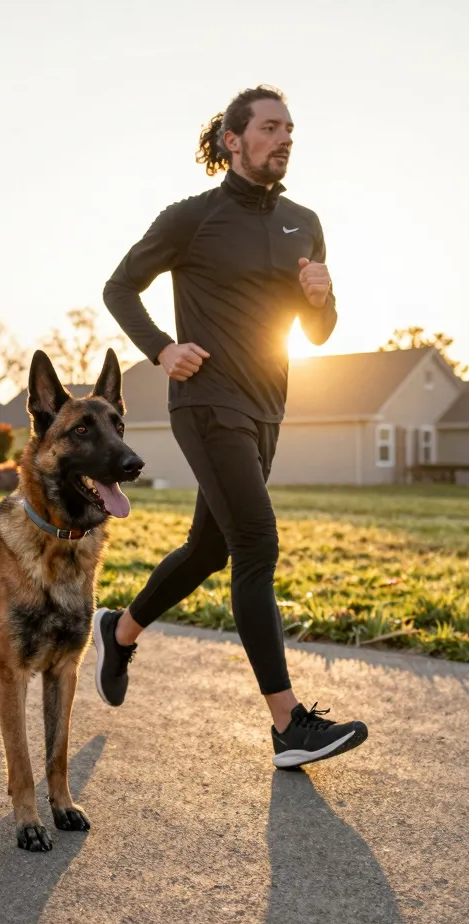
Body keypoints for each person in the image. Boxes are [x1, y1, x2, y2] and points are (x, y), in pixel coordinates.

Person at [93, 85, 368, 769]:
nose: (284, 139)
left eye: (290, 130)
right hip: (206, 402)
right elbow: (119, 287)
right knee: (256, 542)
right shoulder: (192, 219)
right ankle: (288, 726)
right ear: (232, 141)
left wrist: (323, 298)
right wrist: (161, 348)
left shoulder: (305, 222)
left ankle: (119, 632)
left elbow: (317, 330)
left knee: (209, 551)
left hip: (267, 406)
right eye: (271, 128)